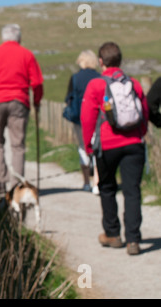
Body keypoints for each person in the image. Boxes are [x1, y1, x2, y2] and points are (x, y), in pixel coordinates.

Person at [81, 42, 149, 255]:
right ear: (120, 60)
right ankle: (133, 240)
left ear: (101, 62)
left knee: (108, 188)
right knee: (132, 191)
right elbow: (144, 113)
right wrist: (140, 134)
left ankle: (112, 234)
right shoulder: (134, 84)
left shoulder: (96, 85)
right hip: (134, 144)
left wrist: (89, 146)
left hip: (107, 145)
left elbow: (87, 118)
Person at [0, 24, 44, 198]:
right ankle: (16, 184)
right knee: (18, 145)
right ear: (19, 38)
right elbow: (37, 82)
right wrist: (36, 101)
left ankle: (0, 183)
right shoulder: (27, 54)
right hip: (19, 102)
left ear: (3, 38)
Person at [64, 50, 100, 194]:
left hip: (80, 119)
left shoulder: (75, 78)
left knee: (83, 147)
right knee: (97, 147)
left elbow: (68, 98)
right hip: (97, 118)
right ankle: (97, 182)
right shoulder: (100, 77)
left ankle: (86, 182)